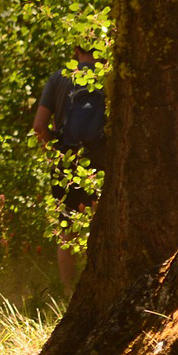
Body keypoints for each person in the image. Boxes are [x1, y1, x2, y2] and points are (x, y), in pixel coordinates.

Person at [33, 45, 104, 294]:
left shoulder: (58, 78)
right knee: (104, 223)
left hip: (66, 159)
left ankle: (68, 292)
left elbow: (39, 126)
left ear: (76, 48)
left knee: (66, 228)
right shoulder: (110, 76)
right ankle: (104, 286)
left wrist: (56, 154)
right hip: (102, 162)